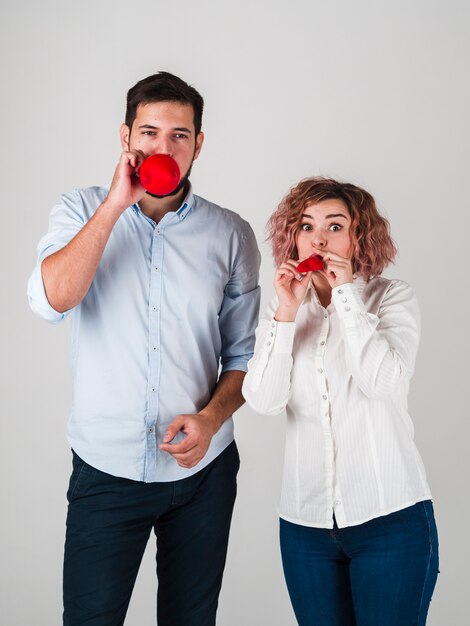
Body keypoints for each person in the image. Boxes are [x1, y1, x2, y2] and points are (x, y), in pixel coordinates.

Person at [27, 71, 260, 626]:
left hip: (203, 474)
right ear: (126, 137)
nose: (163, 147)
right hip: (106, 471)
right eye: (149, 132)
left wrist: (210, 418)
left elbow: (247, 358)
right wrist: (113, 208)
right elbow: (50, 300)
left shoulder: (231, 234)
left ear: (198, 144)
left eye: (179, 135)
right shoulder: (80, 208)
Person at [242, 177, 438, 626]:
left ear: (358, 235)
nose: (319, 238)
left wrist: (346, 295)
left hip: (390, 520)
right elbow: (264, 400)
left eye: (335, 225)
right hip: (305, 529)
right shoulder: (287, 306)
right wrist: (286, 314)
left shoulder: (392, 298)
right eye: (307, 226)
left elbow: (381, 381)